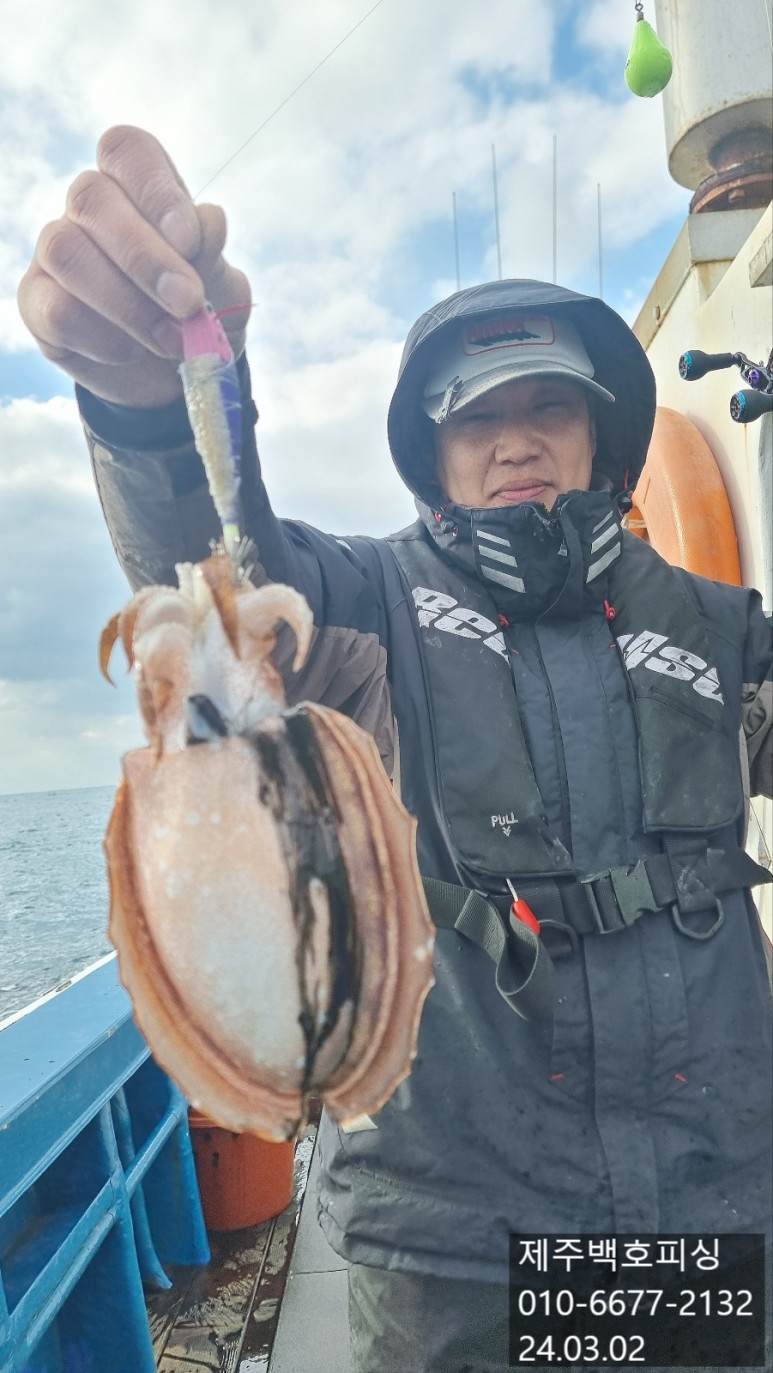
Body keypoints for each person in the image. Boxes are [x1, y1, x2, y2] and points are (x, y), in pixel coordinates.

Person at [19, 127, 772, 1373]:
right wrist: (152, 410)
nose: (513, 439)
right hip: (452, 1240)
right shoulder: (368, 605)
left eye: (546, 405)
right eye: (476, 416)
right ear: (432, 453)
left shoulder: (713, 623)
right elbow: (219, 576)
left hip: (709, 1198)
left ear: (600, 435)